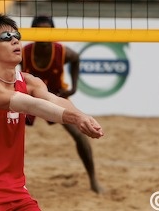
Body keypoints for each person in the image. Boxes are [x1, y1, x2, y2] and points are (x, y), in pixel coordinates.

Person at [0, 13, 104, 211]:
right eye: (6, 37)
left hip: (18, 193)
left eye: (16, 35)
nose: (15, 40)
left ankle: (93, 178)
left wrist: (83, 116)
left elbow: (55, 100)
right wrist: (76, 118)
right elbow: (27, 104)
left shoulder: (29, 81)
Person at [21, 15, 103, 193]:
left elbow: (76, 59)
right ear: (33, 33)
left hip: (55, 97)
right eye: (39, 32)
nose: (43, 36)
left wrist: (73, 88)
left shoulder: (62, 51)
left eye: (47, 31)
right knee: (6, 134)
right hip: (29, 98)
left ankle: (93, 180)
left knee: (80, 135)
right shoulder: (23, 52)